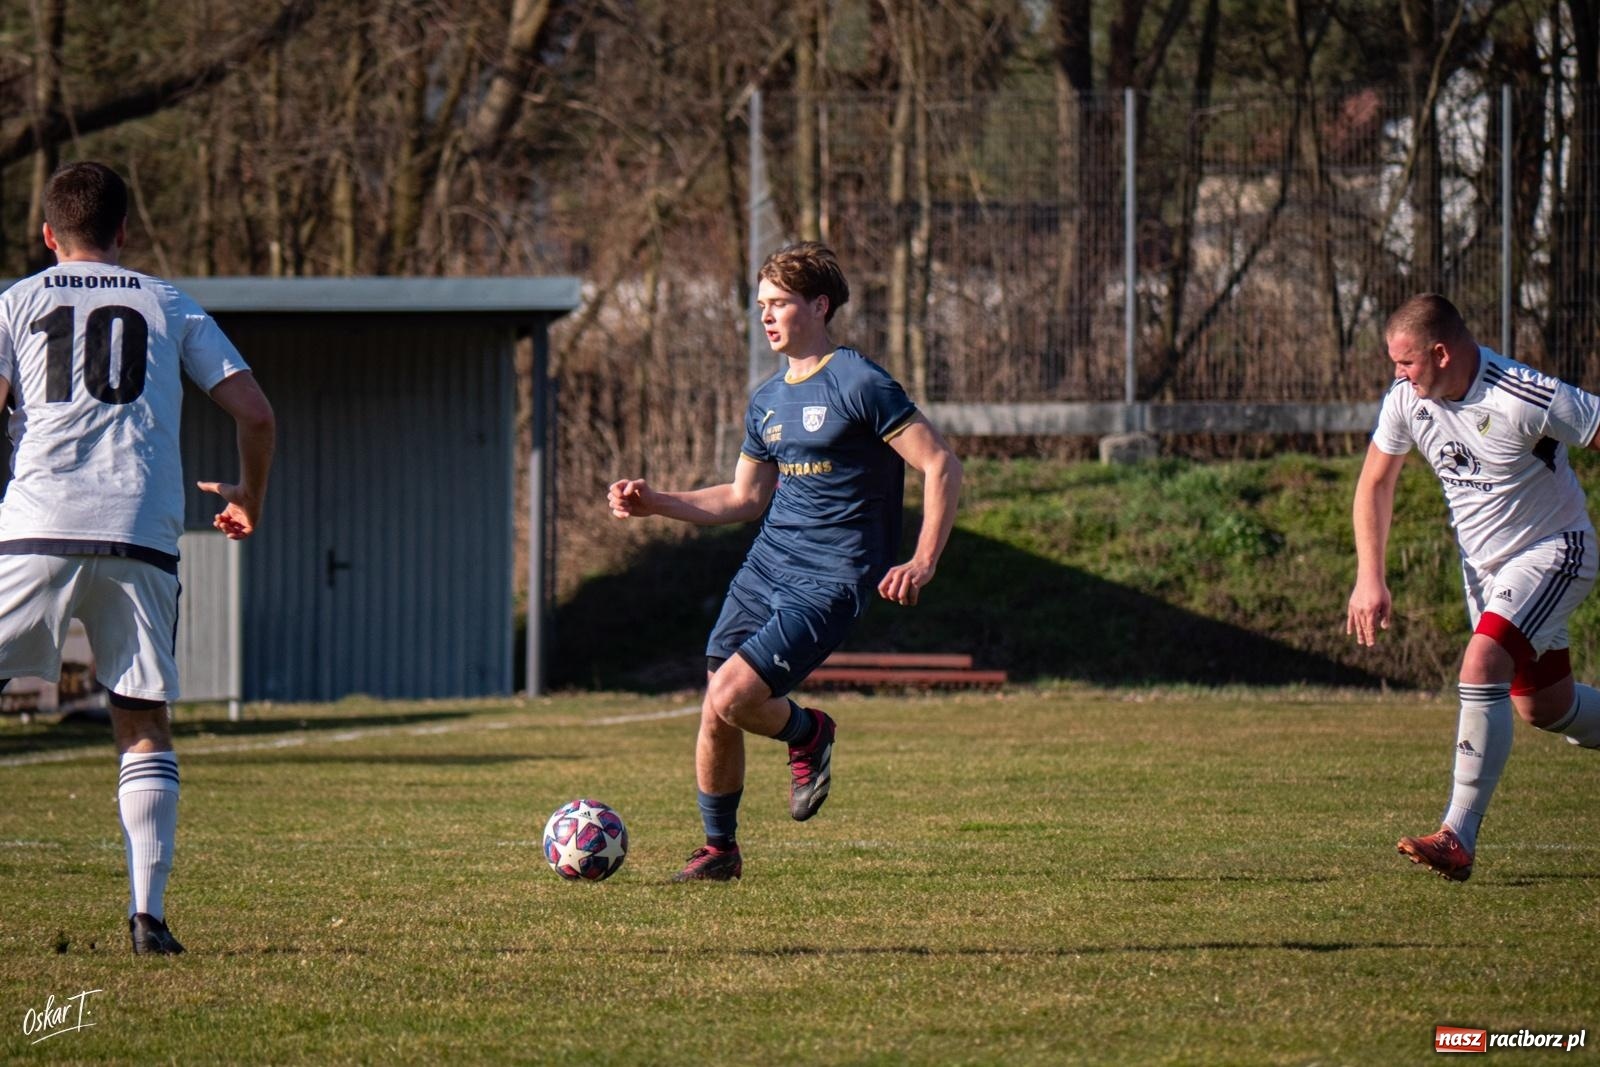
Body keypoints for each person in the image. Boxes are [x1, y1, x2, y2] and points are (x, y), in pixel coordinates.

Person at [608, 242, 962, 881]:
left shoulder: (859, 381)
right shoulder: (768, 398)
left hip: (831, 577)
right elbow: (744, 498)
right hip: (765, 567)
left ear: (819, 306)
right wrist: (656, 502)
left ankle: (808, 733)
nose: (766, 317)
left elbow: (940, 464)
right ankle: (720, 852)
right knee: (717, 707)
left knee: (734, 696)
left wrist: (922, 561)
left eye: (778, 304)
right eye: (761, 305)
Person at [0, 162, 275, 951]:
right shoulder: (166, 302)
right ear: (125, 234)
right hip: (138, 533)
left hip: (32, 528)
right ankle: (147, 917)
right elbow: (255, 414)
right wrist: (248, 496)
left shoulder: (16, 301)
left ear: (49, 235)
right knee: (142, 721)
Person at [1348, 293, 1600, 882]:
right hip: (1485, 573)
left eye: (1406, 362)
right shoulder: (1407, 403)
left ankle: (1456, 835)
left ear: (1441, 352)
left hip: (1554, 551)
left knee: (1481, 663)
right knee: (1544, 706)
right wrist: (1370, 576)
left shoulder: (1523, 394)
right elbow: (1376, 484)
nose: (1398, 375)